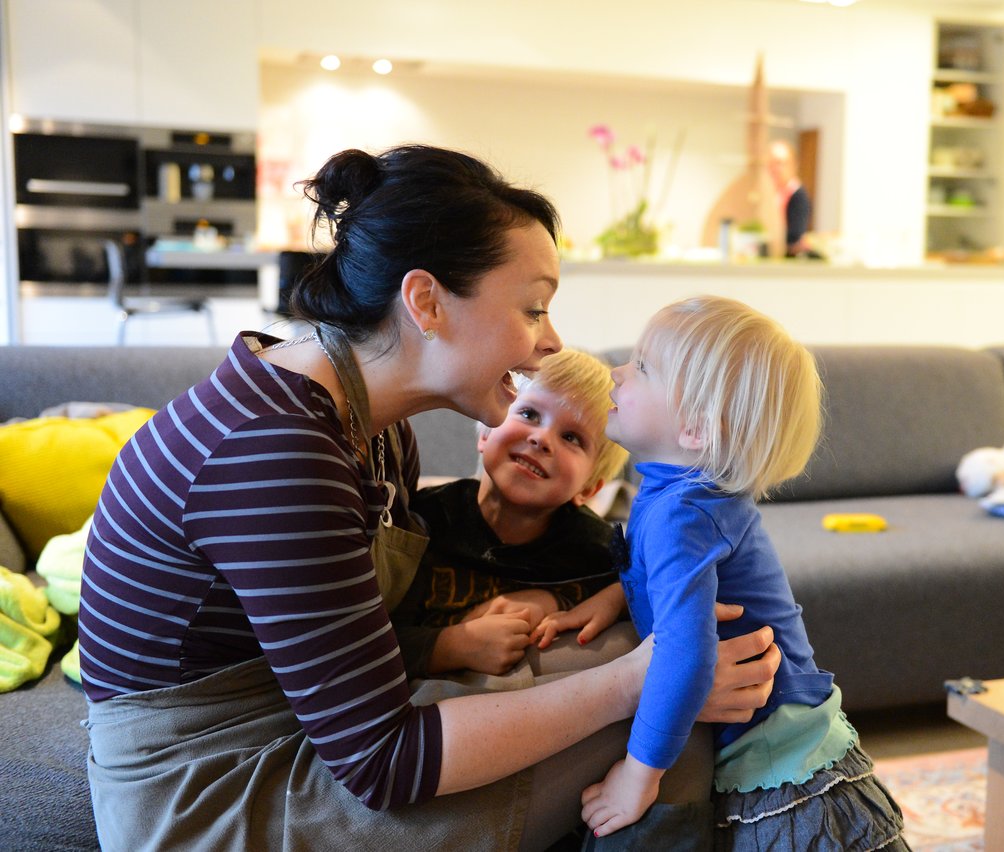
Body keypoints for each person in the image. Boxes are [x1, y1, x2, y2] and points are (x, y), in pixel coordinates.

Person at [76, 145, 781, 852]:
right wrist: (640, 686)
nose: (552, 343)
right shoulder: (278, 452)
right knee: (670, 724)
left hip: (305, 727)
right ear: (425, 302)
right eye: (533, 308)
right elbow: (385, 760)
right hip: (216, 795)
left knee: (658, 672)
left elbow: (369, 662)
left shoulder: (366, 429)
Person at [582, 295, 909, 850]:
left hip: (785, 780)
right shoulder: (678, 494)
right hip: (789, 751)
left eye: (641, 367)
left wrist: (638, 776)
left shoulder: (682, 514)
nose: (615, 373)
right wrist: (618, 595)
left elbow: (685, 655)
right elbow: (669, 585)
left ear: (695, 429)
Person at [396, 347, 630, 677]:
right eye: (530, 415)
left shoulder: (598, 548)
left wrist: (560, 601)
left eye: (571, 437)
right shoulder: (421, 521)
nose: (541, 439)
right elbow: (359, 647)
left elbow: (659, 583)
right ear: (487, 429)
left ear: (589, 489)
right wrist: (452, 645)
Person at [767, 139, 822, 259]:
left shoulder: (798, 196)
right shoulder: (769, 195)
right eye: (770, 164)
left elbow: (794, 236)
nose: (774, 169)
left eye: (779, 163)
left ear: (793, 164)